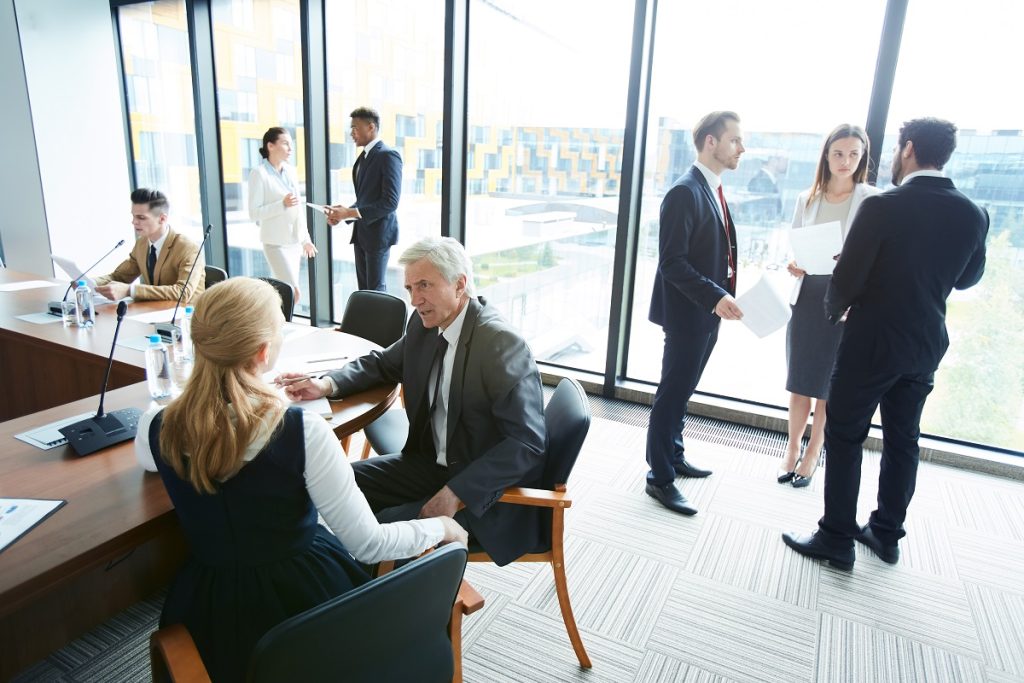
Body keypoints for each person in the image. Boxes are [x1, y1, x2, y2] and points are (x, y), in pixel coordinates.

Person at [135, 277, 466, 681]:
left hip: (207, 604)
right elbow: (368, 544)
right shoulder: (301, 432)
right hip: (304, 601)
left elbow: (155, 462)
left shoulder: (157, 425)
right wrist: (441, 527)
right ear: (263, 352)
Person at [783, 117, 988, 570]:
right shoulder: (974, 213)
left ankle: (836, 536)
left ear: (909, 149)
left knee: (845, 434)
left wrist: (835, 308)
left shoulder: (883, 207)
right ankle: (886, 533)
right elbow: (969, 278)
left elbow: (847, 280)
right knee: (903, 440)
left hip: (871, 342)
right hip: (924, 345)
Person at [280, 236, 546, 566]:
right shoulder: (425, 324)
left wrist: (456, 493)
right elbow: (382, 364)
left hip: (480, 493)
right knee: (335, 486)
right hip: (428, 463)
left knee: (379, 532)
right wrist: (326, 385)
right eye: (409, 288)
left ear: (460, 284)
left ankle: (384, 602)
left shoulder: (499, 344)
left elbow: (527, 443)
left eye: (424, 285)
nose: (415, 299)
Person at [645, 111, 745, 515]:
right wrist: (715, 295)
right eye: (735, 140)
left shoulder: (713, 189)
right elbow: (672, 262)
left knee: (684, 390)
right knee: (671, 393)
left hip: (708, 312)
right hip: (690, 313)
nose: (741, 148)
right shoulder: (685, 192)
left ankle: (676, 454)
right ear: (710, 142)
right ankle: (659, 477)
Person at [779, 125, 878, 488]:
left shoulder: (871, 199)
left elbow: (875, 257)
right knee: (800, 380)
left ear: (862, 157)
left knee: (827, 385)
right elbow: (794, 247)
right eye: (838, 153)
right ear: (826, 155)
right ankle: (791, 448)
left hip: (844, 301)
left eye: (854, 154)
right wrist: (795, 264)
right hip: (808, 296)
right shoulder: (807, 198)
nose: (846, 161)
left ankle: (813, 452)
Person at [326, 107, 403, 292]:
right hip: (362, 234)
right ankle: (367, 321)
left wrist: (349, 213)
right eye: (351, 128)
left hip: (378, 234)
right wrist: (343, 214)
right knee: (365, 289)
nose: (351, 133)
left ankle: (379, 322)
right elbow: (365, 199)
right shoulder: (363, 158)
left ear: (371, 127)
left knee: (376, 289)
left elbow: (390, 202)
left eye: (355, 128)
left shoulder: (388, 156)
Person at [93, 188, 205, 302]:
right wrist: (90, 283)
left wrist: (131, 290)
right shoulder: (142, 244)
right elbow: (119, 277)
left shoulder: (187, 248)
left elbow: (183, 292)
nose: (134, 222)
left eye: (141, 217)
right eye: (133, 216)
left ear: (162, 219)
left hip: (187, 315)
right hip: (153, 312)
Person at [247, 127, 317, 303]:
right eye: (285, 143)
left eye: (291, 144)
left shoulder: (291, 171)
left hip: (293, 243)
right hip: (275, 244)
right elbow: (254, 213)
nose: (290, 149)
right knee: (293, 291)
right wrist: (281, 205)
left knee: (283, 294)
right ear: (270, 146)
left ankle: (280, 324)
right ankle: (281, 326)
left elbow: (298, 209)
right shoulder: (259, 173)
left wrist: (306, 239)